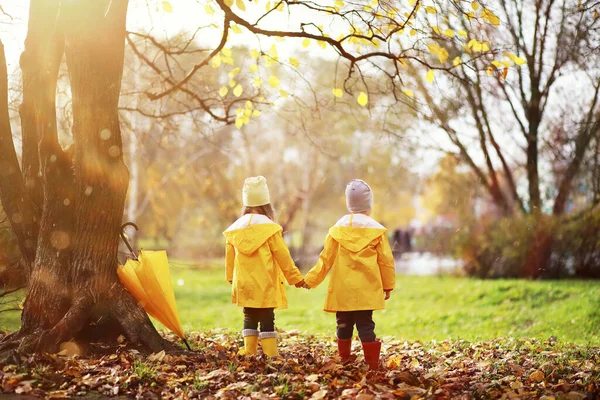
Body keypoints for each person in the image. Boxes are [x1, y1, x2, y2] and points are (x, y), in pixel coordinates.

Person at [303, 179, 396, 370]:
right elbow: (385, 261)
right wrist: (388, 285)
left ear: (348, 203)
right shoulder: (376, 231)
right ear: (368, 205)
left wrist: (310, 280)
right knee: (366, 326)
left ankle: (344, 360)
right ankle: (372, 365)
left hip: (342, 290)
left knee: (343, 325)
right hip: (366, 290)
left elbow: (325, 260)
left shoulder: (337, 230)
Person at [223, 176, 306, 357]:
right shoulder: (271, 230)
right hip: (265, 283)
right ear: (267, 205)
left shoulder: (235, 230)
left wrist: (231, 277)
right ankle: (271, 354)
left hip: (244, 283)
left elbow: (230, 258)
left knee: (249, 316)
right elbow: (284, 257)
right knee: (267, 317)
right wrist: (296, 278)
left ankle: (250, 352)